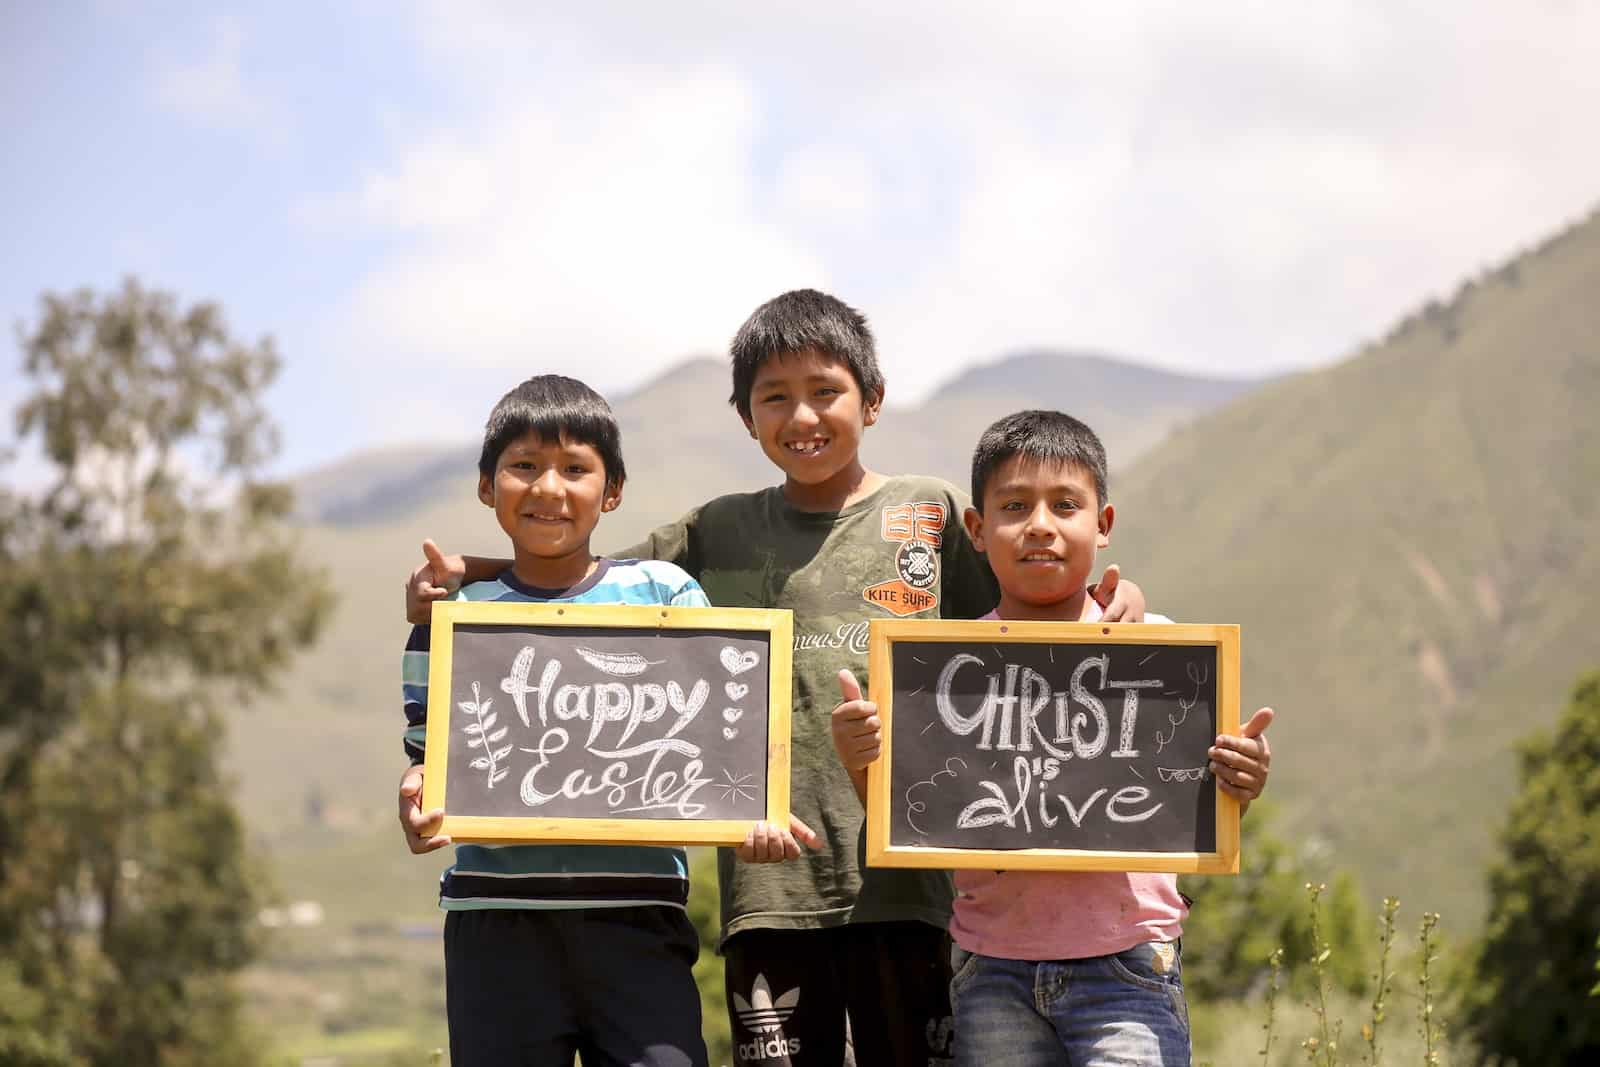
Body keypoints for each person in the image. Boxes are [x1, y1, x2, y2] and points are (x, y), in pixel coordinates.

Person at [405, 291, 1148, 1065]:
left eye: (825, 391)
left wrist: (1113, 602)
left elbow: (1022, 612)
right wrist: (468, 577)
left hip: (910, 887)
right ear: (745, 416)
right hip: (770, 889)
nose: (803, 417)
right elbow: (582, 575)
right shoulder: (716, 529)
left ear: (874, 399)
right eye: (775, 398)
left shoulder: (928, 512)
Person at [829, 408, 1275, 1067]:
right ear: (977, 530)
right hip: (991, 970)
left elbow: (1199, 800)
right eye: (1015, 505)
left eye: (1065, 504)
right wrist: (859, 757)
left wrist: (1244, 776)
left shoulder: (1156, 647)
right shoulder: (944, 670)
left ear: (1104, 523)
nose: (1040, 524)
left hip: (1128, 965)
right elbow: (912, 817)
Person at [398, 374, 812, 1067]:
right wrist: (415, 800)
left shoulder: (664, 593)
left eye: (574, 468)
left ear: (612, 490)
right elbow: (425, 754)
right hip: (496, 927)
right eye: (523, 466)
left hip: (640, 918)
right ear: (486, 484)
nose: (548, 488)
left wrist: (751, 813)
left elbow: (722, 738)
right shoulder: (455, 616)